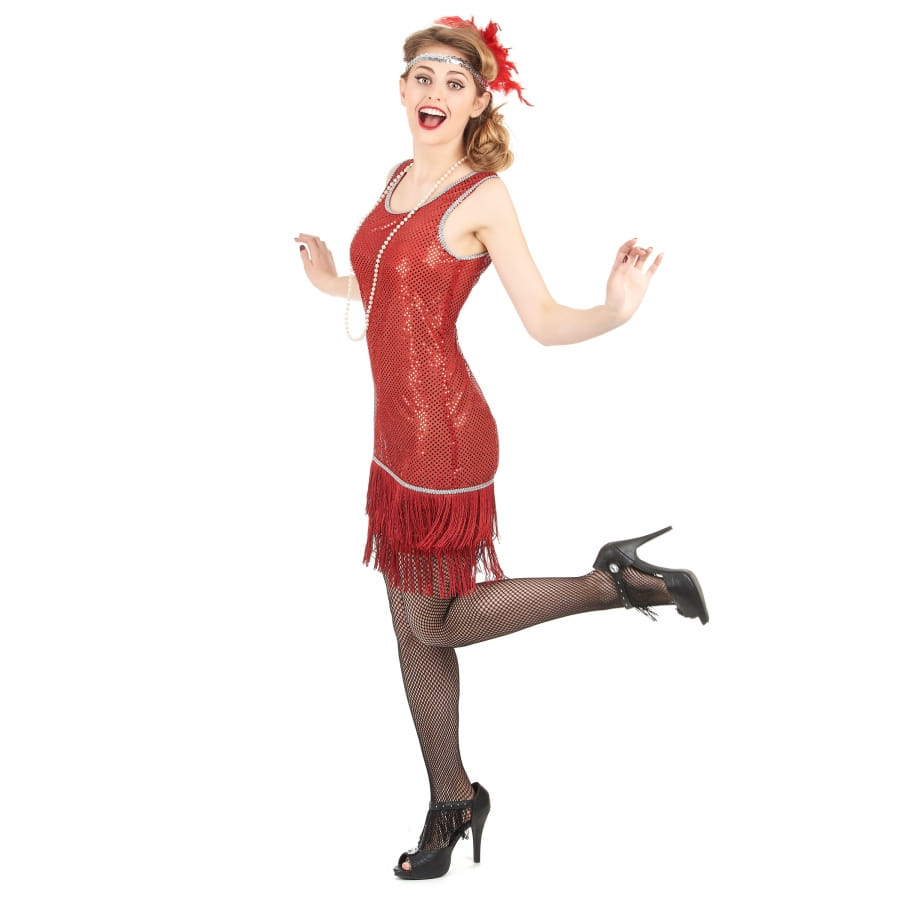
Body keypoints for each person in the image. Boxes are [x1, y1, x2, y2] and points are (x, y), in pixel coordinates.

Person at [295, 15, 708, 880]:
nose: (436, 93)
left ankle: (612, 584)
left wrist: (614, 311)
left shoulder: (481, 197)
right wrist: (328, 277)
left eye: (456, 82)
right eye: (424, 76)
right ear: (401, 88)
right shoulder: (399, 176)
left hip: (444, 440)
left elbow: (544, 319)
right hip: (393, 437)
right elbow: (383, 280)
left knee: (431, 622)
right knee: (414, 631)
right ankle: (451, 797)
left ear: (480, 101)